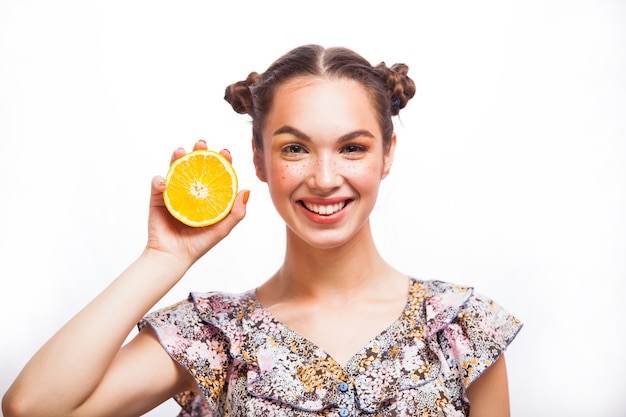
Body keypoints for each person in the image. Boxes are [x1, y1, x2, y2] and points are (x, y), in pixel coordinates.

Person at [2, 44, 522, 417]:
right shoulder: (215, 335)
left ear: (387, 155)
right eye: (294, 148)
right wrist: (164, 258)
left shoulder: (459, 328)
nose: (323, 178)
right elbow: (33, 409)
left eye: (352, 147)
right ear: (258, 159)